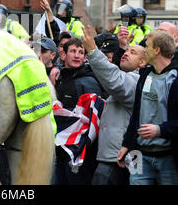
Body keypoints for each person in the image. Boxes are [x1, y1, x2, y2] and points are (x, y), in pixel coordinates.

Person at [81, 25, 147, 185]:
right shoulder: (132, 77)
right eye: (126, 51)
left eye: (133, 52)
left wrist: (93, 51)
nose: (126, 54)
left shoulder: (138, 82)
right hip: (120, 154)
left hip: (118, 156)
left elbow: (114, 80)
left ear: (143, 63)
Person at [117, 30, 178, 185]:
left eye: (148, 46)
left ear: (157, 50)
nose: (145, 50)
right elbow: (136, 113)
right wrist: (127, 144)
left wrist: (160, 130)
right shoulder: (145, 75)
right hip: (139, 155)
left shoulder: (174, 78)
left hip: (169, 158)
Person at [53, 37, 102, 185]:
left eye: (81, 52)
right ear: (63, 55)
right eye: (73, 51)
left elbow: (94, 118)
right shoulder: (60, 77)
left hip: (79, 152)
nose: (77, 55)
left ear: (85, 57)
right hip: (60, 148)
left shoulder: (89, 81)